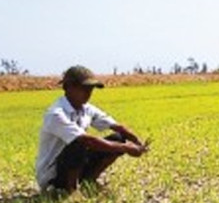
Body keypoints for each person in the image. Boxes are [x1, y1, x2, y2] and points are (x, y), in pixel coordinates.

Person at [35, 65, 147, 193]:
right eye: (84, 88)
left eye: (90, 89)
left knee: (118, 138)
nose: (88, 93)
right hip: (53, 174)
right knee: (80, 142)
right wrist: (126, 148)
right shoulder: (56, 114)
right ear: (68, 87)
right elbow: (87, 141)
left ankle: (89, 180)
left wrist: (137, 142)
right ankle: (71, 190)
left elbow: (117, 127)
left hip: (75, 163)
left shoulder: (86, 109)